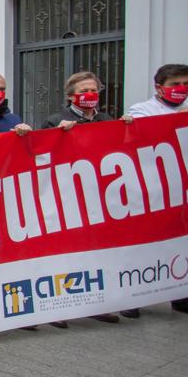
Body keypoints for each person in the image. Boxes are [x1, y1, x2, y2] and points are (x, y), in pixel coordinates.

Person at [124, 63, 188, 320]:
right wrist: (181, 118)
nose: (181, 89)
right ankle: (132, 298)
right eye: (174, 84)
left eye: (185, 83)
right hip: (154, 190)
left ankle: (185, 296)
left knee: (186, 243)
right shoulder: (141, 110)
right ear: (159, 87)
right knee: (145, 244)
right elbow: (138, 140)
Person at [41, 70, 130, 325]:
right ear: (71, 96)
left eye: (93, 90)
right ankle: (57, 308)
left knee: (96, 252)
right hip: (68, 197)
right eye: (82, 91)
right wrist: (57, 135)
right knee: (66, 252)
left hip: (99, 198)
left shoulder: (106, 119)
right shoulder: (57, 120)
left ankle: (95, 303)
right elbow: (42, 156)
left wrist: (126, 130)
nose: (89, 95)